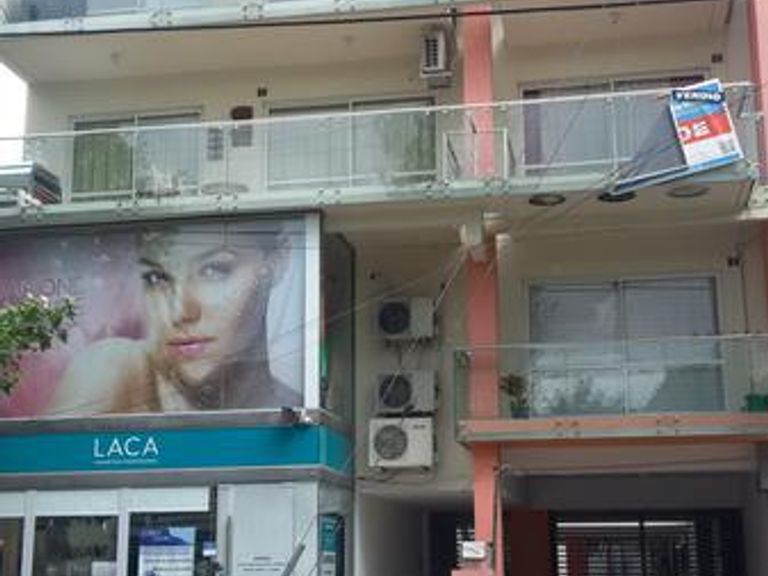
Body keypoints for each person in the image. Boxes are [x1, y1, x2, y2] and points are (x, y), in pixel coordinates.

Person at [46, 221, 302, 415]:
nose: (179, 313)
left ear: (278, 261)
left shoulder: (299, 411)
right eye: (156, 278)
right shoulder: (115, 368)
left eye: (214, 270)